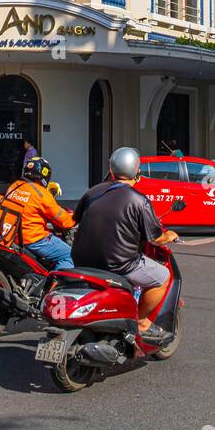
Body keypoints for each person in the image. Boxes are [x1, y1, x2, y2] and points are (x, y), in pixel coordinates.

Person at [72, 145, 177, 342]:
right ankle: (142, 321)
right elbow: (154, 238)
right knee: (163, 276)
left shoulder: (92, 192)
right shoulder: (138, 200)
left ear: (111, 170)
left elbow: (75, 219)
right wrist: (169, 235)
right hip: (120, 264)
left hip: (81, 259)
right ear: (137, 173)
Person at [2, 156, 75, 270]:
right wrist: (77, 216)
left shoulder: (14, 186)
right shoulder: (41, 193)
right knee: (69, 255)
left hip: (12, 235)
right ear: (45, 175)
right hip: (33, 239)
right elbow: (65, 222)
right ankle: (58, 286)